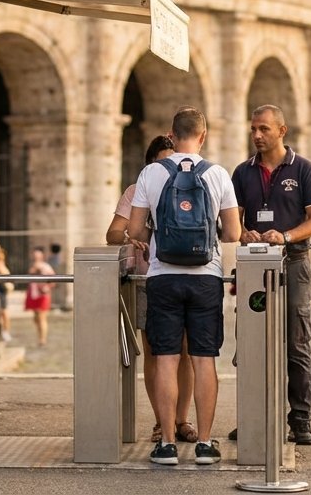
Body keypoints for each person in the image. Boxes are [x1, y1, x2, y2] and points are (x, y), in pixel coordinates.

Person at [127, 107, 242, 466]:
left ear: (171, 135)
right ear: (203, 136)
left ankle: (166, 444)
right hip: (206, 276)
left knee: (166, 358)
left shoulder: (151, 173)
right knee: (203, 359)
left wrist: (157, 231)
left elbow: (134, 229)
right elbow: (233, 233)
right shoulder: (218, 174)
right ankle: (205, 443)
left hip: (163, 276)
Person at [229, 104, 311, 444]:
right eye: (253, 129)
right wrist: (244, 234)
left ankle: (300, 419)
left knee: (297, 343)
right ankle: (253, 418)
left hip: (294, 262)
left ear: (282, 131)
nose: (256, 135)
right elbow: (234, 219)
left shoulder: (304, 170)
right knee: (252, 341)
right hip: (253, 265)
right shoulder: (242, 172)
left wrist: (285, 236)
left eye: (264, 129)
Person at [105, 134, 199, 444]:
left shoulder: (190, 189)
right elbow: (113, 233)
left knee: (185, 350)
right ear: (150, 165)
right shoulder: (136, 191)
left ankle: (182, 420)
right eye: (162, 163)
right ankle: (162, 421)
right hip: (146, 280)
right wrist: (130, 238)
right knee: (155, 352)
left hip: (182, 274)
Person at [24, 247, 55, 347]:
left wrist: (47, 288)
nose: (36, 257)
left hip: (43, 294)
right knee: (36, 318)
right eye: (35, 255)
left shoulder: (46, 267)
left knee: (42, 317)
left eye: (38, 255)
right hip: (33, 294)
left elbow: (53, 280)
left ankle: (42, 339)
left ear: (42, 256)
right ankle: (40, 336)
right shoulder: (32, 266)